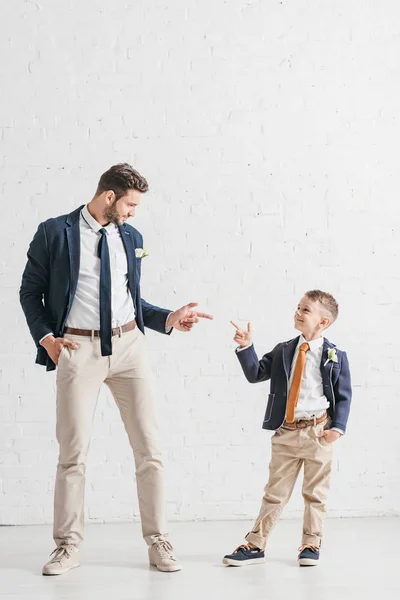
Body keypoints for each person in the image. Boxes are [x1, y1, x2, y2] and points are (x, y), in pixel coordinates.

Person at [20, 163, 213, 575]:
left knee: (150, 450)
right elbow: (29, 292)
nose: (133, 212)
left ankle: (158, 541)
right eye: (130, 204)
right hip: (77, 348)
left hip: (130, 349)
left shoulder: (132, 237)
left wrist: (168, 319)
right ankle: (67, 546)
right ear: (109, 197)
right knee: (73, 454)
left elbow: (131, 300)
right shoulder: (55, 232)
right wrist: (47, 339)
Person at [223, 290, 351, 567]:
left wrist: (337, 429)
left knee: (315, 493)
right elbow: (256, 373)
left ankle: (310, 543)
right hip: (287, 432)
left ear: (323, 322)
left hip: (319, 432)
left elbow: (343, 395)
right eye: (298, 307)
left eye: (305, 310)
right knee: (275, 492)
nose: (298, 312)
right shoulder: (284, 350)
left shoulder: (335, 356)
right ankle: (256, 544)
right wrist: (246, 346)